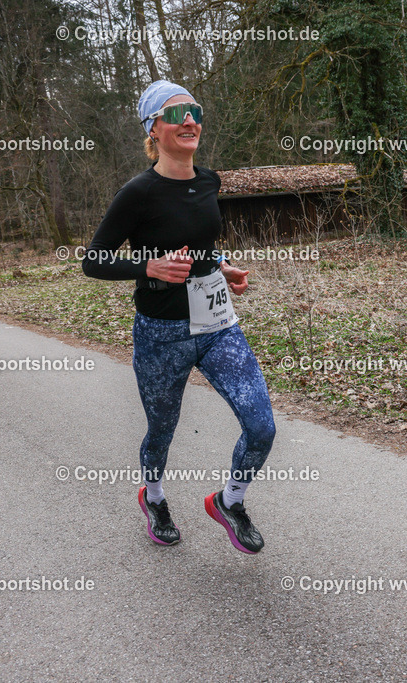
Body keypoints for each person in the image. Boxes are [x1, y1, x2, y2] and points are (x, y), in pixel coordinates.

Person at [82, 80, 276, 554]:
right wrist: (147, 266)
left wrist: (222, 267)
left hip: (216, 325)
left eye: (194, 110)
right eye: (176, 113)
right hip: (162, 334)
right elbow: (93, 261)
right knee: (162, 430)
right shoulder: (137, 194)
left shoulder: (209, 180)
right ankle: (154, 497)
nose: (190, 119)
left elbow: (202, 243)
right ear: (154, 129)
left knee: (262, 425)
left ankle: (230, 502)